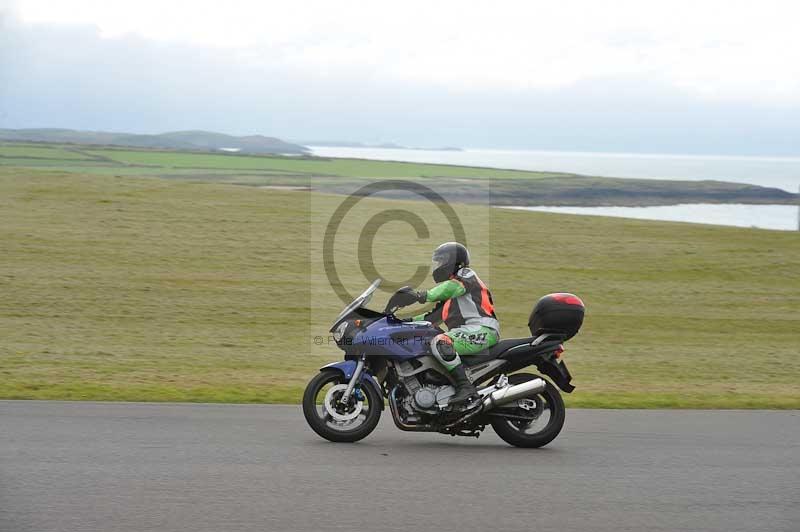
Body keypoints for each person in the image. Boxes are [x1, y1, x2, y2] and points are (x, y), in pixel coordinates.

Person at [391, 242, 500, 408]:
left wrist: (420, 295)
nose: (439, 266)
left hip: (483, 329)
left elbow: (448, 288)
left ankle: (466, 387)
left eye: (442, 261)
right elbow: (431, 318)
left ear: (454, 261)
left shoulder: (465, 275)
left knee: (441, 342)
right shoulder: (452, 293)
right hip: (468, 331)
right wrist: (402, 322)